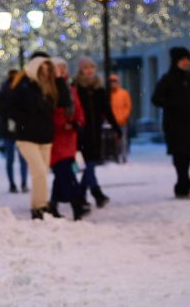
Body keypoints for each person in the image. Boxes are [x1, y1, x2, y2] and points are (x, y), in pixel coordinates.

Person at [8, 52, 58, 220]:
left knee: (41, 173)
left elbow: (60, 103)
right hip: (27, 137)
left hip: (45, 136)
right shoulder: (23, 85)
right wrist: (23, 121)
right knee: (39, 172)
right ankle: (42, 206)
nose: (45, 71)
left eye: (48, 67)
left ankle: (38, 206)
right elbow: (7, 107)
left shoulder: (50, 86)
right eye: (43, 67)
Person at [152, 47, 190, 199]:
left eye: (188, 59)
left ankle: (181, 186)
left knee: (187, 154)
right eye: (182, 59)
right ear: (176, 61)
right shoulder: (168, 79)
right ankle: (186, 184)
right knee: (178, 154)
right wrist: (172, 103)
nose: (186, 62)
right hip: (174, 122)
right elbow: (156, 98)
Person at [48, 57, 90, 220]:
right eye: (58, 68)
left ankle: (53, 204)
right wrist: (63, 124)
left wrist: (78, 122)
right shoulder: (50, 88)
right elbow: (52, 112)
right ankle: (77, 204)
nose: (62, 71)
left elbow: (78, 107)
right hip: (58, 137)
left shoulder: (70, 87)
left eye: (64, 68)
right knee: (65, 172)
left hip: (70, 137)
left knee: (62, 174)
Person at [73, 56, 118, 208]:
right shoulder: (76, 87)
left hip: (95, 132)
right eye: (86, 68)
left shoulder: (99, 88)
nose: (89, 71)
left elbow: (106, 109)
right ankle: (95, 193)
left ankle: (82, 193)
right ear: (80, 70)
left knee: (90, 164)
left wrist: (115, 126)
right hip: (81, 133)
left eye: (91, 67)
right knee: (88, 164)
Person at [0, 69, 29, 193]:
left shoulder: (5, 90)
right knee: (19, 159)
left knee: (15, 159)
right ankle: (20, 183)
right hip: (15, 129)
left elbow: (0, 110)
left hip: (13, 129)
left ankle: (17, 184)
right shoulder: (20, 89)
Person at [109, 74, 132, 162]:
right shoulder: (108, 94)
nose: (113, 84)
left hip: (122, 121)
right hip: (112, 122)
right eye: (111, 82)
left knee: (123, 140)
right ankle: (116, 156)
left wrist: (123, 117)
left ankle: (123, 156)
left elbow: (128, 107)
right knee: (114, 141)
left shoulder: (124, 93)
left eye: (114, 82)